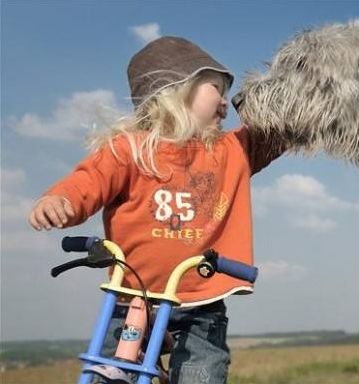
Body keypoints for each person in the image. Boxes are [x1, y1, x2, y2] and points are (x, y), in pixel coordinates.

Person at [28, 36, 285, 383]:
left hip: (202, 303)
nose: (227, 102)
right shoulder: (128, 150)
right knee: (108, 375)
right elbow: (86, 182)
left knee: (201, 375)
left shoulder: (231, 150)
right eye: (217, 89)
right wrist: (59, 201)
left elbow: (284, 130)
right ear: (175, 90)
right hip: (132, 300)